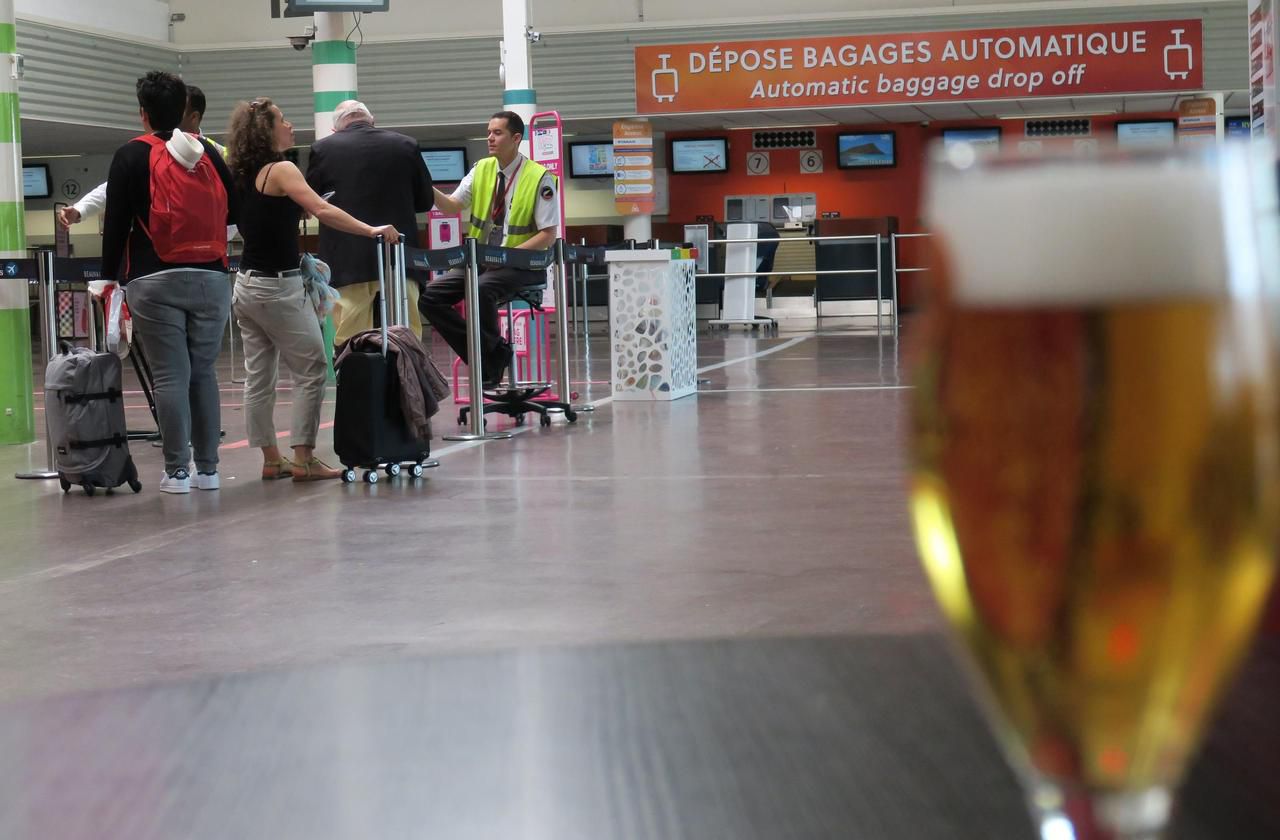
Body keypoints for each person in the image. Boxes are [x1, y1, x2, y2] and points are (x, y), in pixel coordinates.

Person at [226, 98, 401, 482]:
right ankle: (304, 457)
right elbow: (323, 210)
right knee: (312, 368)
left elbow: (267, 217)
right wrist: (371, 229)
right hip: (278, 288)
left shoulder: (241, 172)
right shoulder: (282, 169)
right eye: (283, 120)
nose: (290, 125)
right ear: (266, 131)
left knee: (260, 376)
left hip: (246, 286)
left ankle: (272, 459)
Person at [101, 70, 238, 494]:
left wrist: (109, 278)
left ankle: (178, 471)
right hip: (212, 277)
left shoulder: (130, 155)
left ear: (142, 113)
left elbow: (116, 223)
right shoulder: (209, 154)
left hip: (154, 277)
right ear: (183, 110)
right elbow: (234, 213)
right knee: (204, 374)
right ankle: (210, 471)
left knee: (170, 377)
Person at [419, 110, 560, 388]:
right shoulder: (482, 169)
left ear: (516, 138)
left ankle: (490, 360)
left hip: (522, 264)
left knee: (481, 289)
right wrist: (426, 184)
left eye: (497, 133)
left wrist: (508, 258)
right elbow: (451, 205)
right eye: (488, 133)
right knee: (430, 298)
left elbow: (547, 235)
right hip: (481, 259)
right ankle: (491, 354)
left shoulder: (539, 178)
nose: (490, 138)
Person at [305, 100, 433, 346]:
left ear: (336, 129)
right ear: (372, 121)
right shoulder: (406, 145)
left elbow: (312, 203)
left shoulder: (323, 149)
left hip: (347, 263)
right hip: (399, 259)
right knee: (407, 338)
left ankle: (356, 382)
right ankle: (406, 384)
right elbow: (425, 201)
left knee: (351, 341)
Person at [58, 84, 225, 229]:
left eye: (178, 109)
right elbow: (114, 187)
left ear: (194, 117)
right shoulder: (149, 150)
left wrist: (216, 235)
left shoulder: (216, 153)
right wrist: (81, 209)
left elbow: (235, 207)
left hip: (209, 255)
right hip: (162, 251)